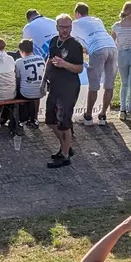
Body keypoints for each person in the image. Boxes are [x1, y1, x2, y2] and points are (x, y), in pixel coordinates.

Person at [44, 14, 85, 169]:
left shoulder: (75, 46)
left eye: (68, 27)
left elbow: (79, 68)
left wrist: (65, 64)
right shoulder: (54, 41)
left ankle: (65, 155)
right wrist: (44, 79)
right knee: (50, 120)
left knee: (64, 123)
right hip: (54, 86)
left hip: (69, 88)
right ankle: (66, 147)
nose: (65, 30)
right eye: (62, 27)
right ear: (57, 27)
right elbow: (50, 59)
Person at [72, 3, 118, 125]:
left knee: (94, 84)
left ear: (77, 14)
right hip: (112, 47)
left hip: (97, 49)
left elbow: (72, 40)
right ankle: (103, 115)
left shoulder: (75, 23)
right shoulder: (97, 20)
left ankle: (88, 116)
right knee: (109, 84)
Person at [13, 38, 46, 134]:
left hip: (26, 93)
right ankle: (34, 118)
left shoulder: (19, 62)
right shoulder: (40, 58)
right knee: (36, 92)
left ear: (21, 51)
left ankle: (21, 119)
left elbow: (17, 79)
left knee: (19, 89)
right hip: (41, 91)